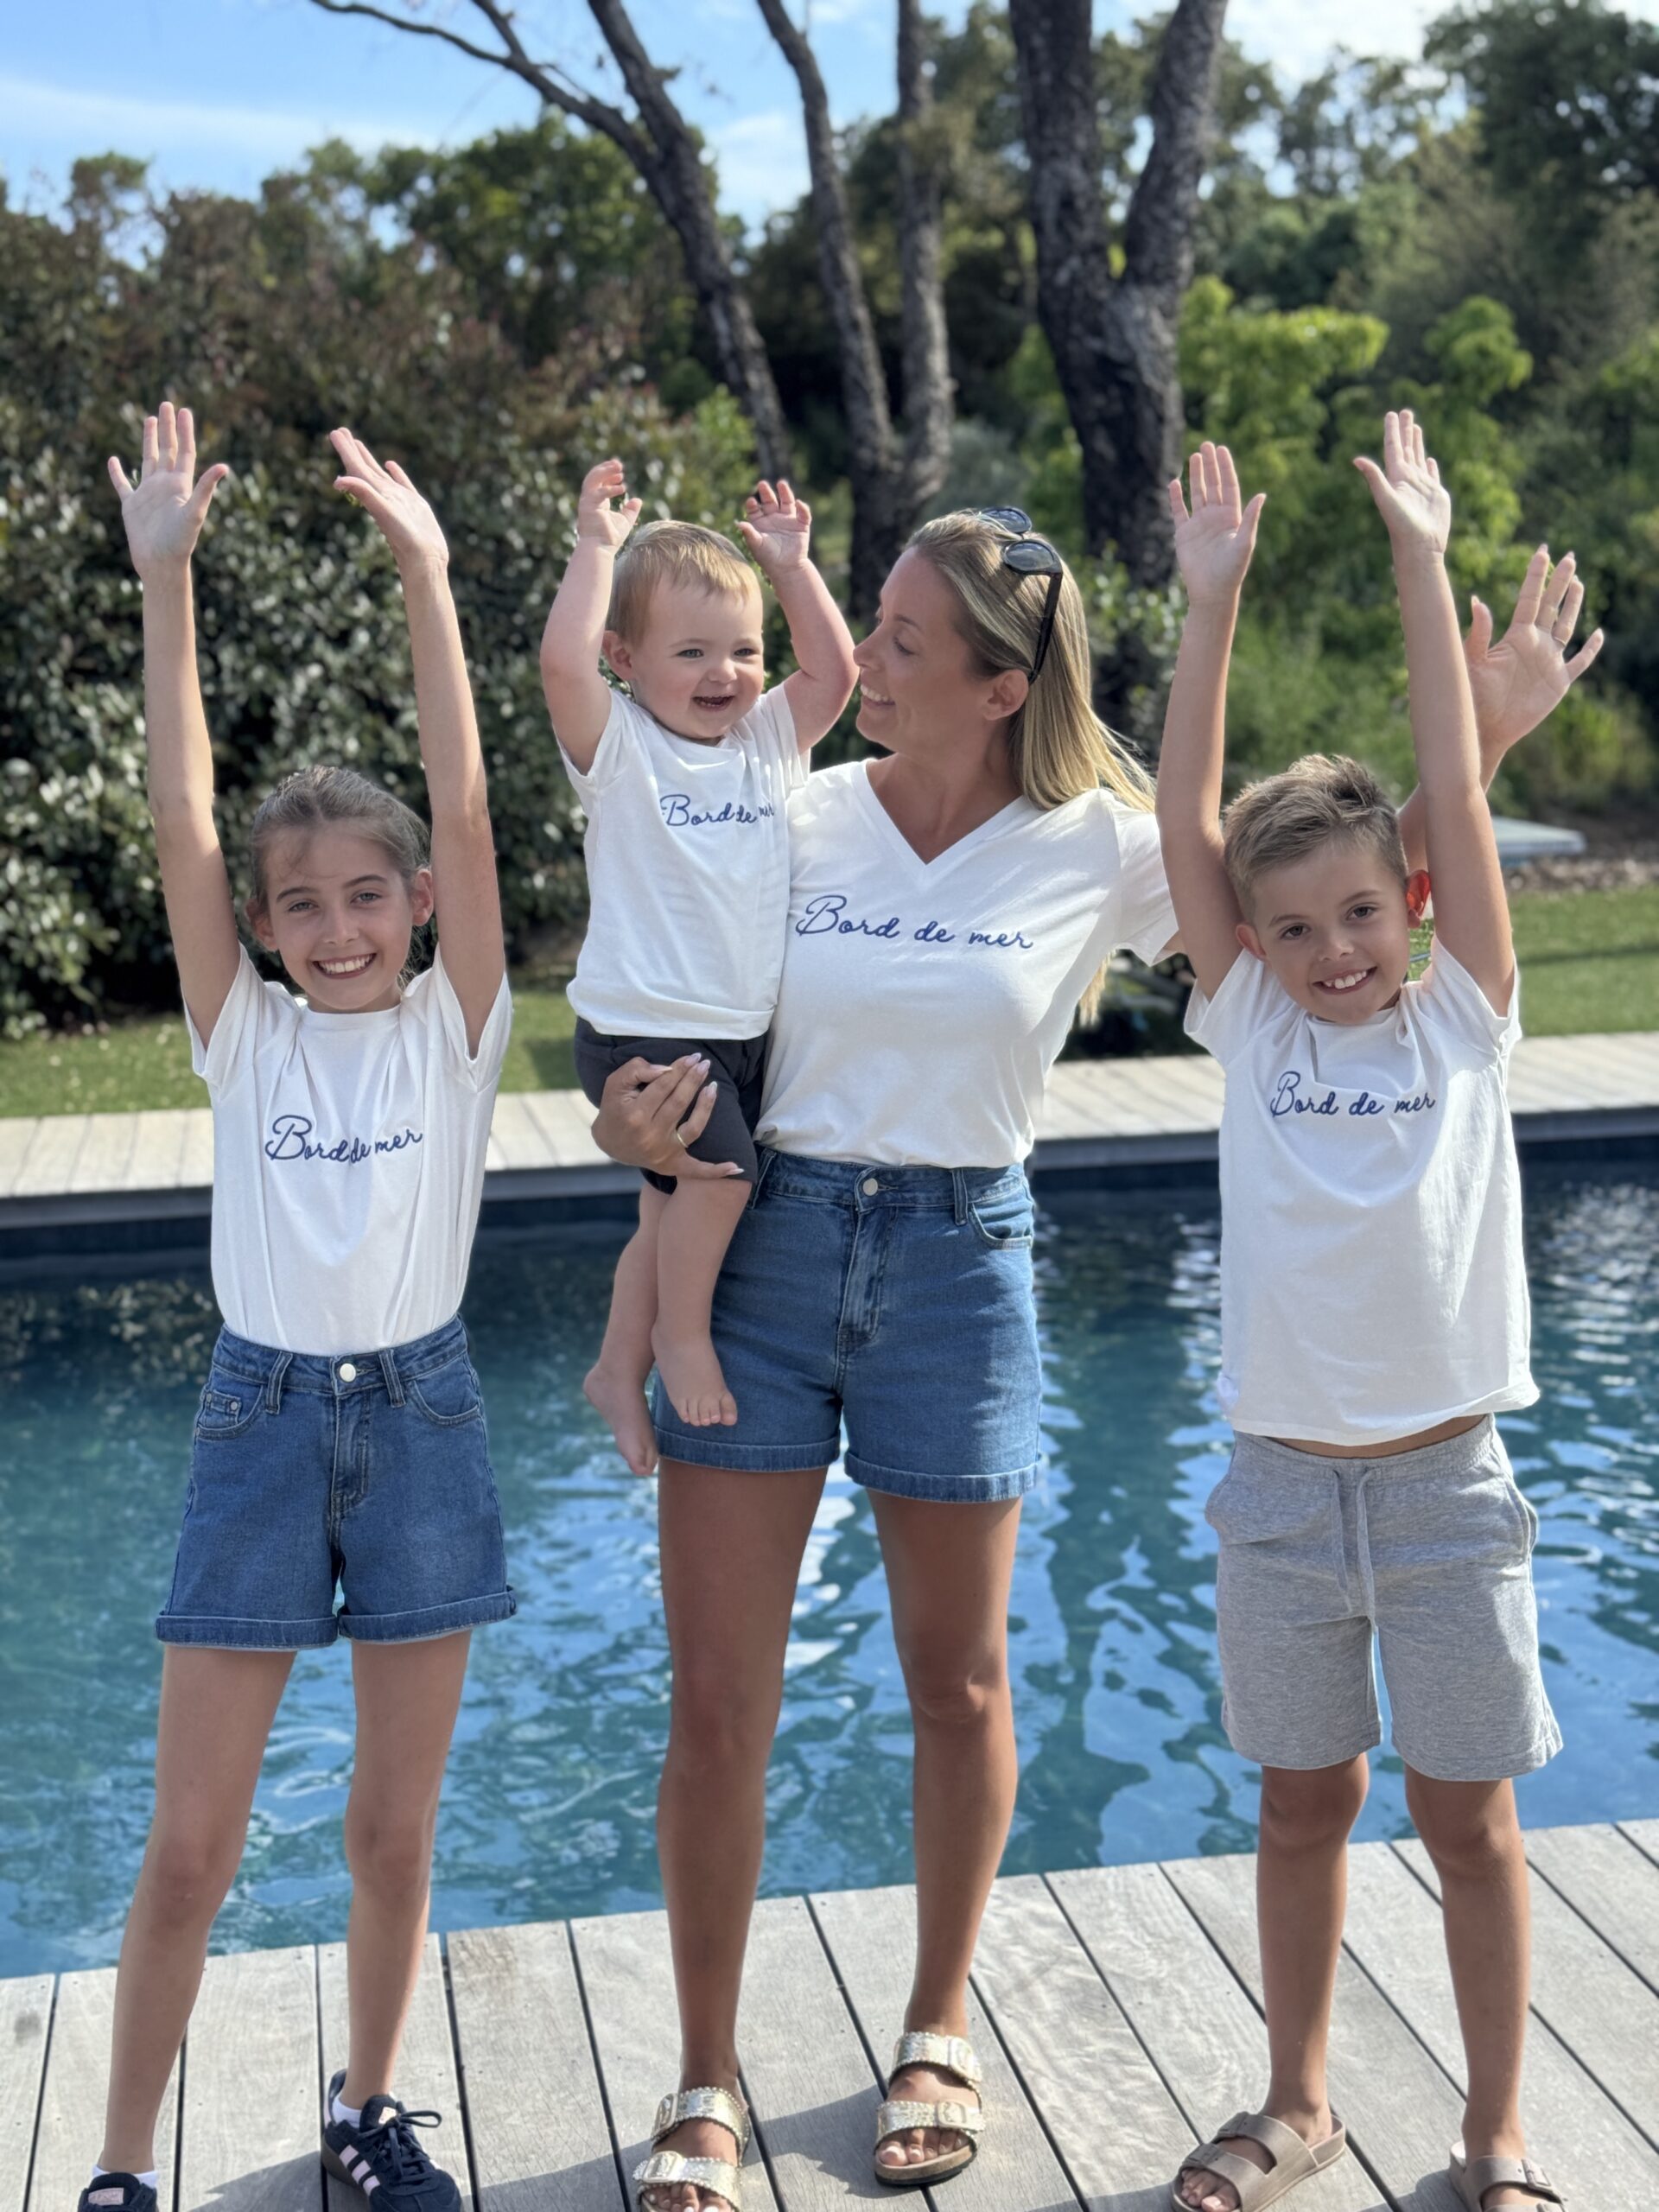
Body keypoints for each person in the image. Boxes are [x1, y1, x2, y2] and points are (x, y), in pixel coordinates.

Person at [588, 505, 1179, 2212]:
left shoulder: (1102, 846)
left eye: (903, 638)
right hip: (762, 1256)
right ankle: (704, 2070)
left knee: (960, 1682)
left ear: (999, 688)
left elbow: (1318, 907)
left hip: (960, 1266)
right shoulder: (793, 808)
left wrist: (1472, 748)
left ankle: (936, 2024)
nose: (866, 655)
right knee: (720, 1697)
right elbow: (671, 1005)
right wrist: (625, 1121)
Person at [1156, 419, 1602, 2212]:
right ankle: (1299, 2100)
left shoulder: (1462, 1014)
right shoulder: (1252, 1024)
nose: (1336, 949)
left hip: (1442, 1494)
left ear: (1412, 902)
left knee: (1472, 1825)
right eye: (1297, 927)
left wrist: (1425, 558)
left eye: (1361, 911)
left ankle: (1497, 2133)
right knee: (1299, 1805)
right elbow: (1187, 818)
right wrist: (1210, 602)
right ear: (1253, 944)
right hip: (1279, 1497)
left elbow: (1456, 791)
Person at [84, 405, 513, 2212]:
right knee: (190, 1845)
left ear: (418, 904)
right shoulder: (241, 1032)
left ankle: (367, 2105)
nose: (339, 930)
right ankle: (121, 2162)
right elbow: (181, 814)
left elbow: (469, 801)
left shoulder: (460, 1027)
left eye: (368, 899)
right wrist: (164, 580)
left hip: (422, 1417)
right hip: (261, 1419)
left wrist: (429, 577)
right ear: (259, 928)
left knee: (389, 1828)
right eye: (302, 907)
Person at [540, 462, 857, 1473]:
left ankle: (615, 1367)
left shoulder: (764, 741)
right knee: (721, 1183)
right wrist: (594, 550)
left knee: (668, 1206)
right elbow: (559, 668)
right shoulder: (622, 748)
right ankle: (680, 1340)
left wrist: (793, 569)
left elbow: (835, 676)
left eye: (745, 650)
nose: (725, 673)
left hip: (737, 1037)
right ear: (625, 659)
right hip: (646, 1032)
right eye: (692, 652)